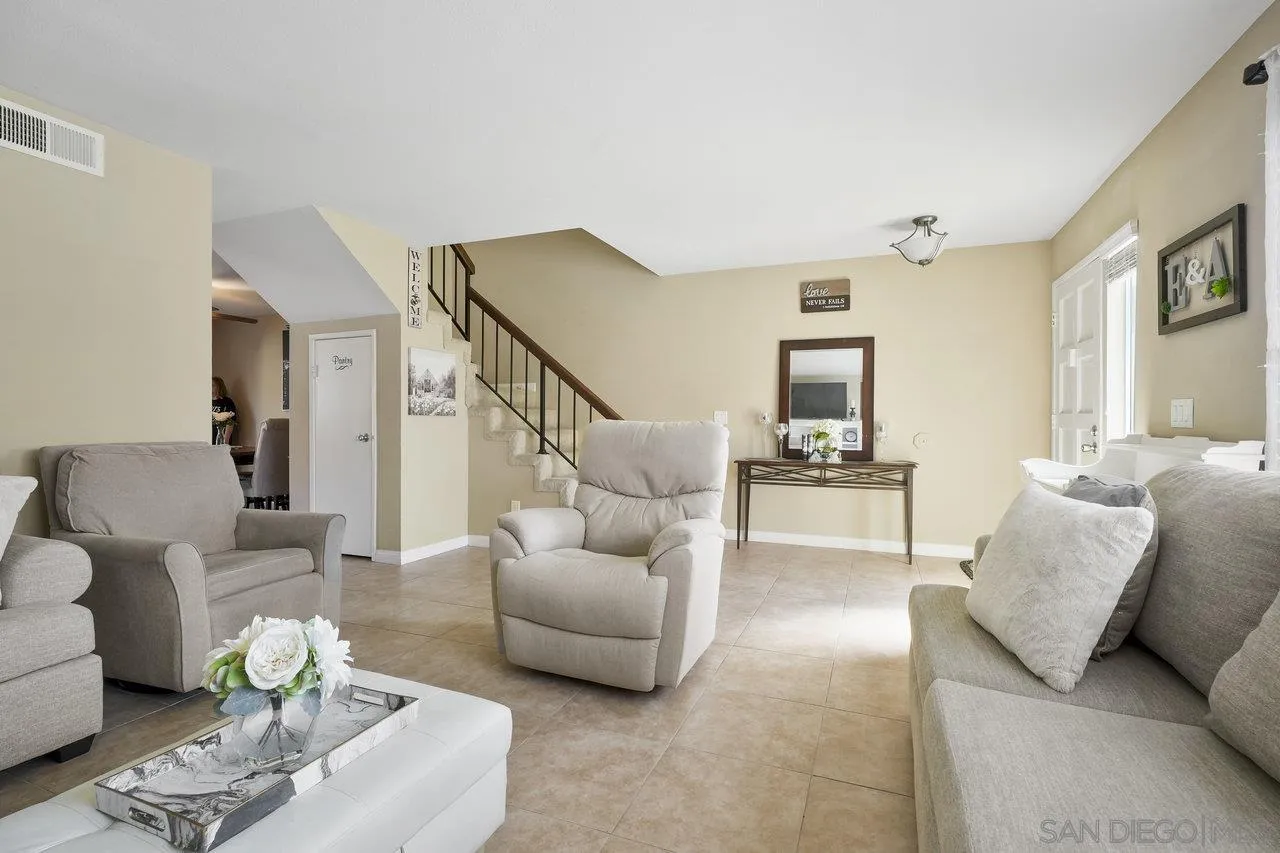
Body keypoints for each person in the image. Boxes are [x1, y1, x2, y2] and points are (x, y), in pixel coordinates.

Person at [212, 377, 238, 444]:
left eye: (213, 385)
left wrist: (225, 442)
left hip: (220, 440)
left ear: (219, 387)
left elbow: (231, 422)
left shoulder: (227, 401)